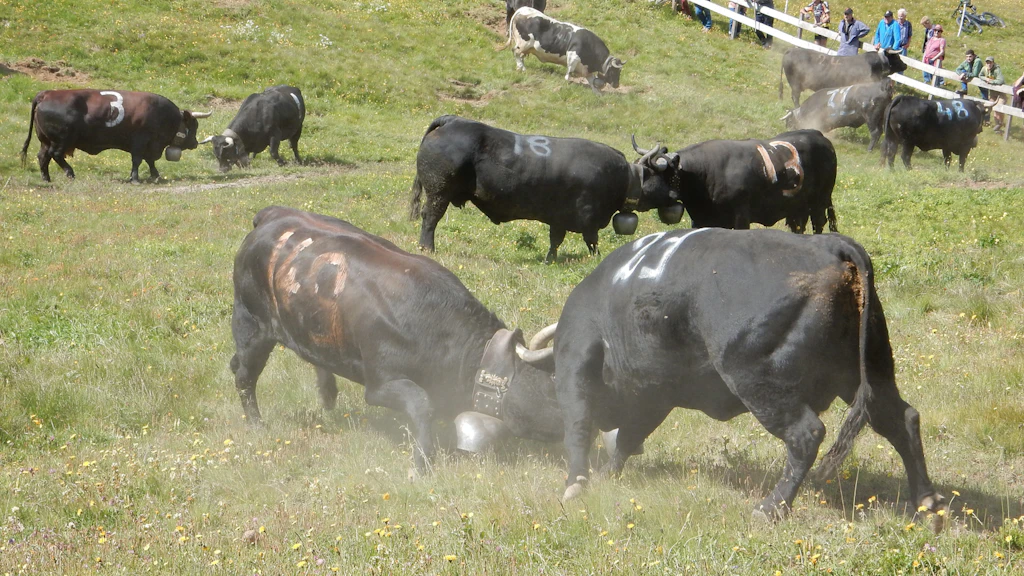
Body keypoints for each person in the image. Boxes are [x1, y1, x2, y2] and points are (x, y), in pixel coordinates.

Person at [980, 56, 1006, 130]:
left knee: (999, 108)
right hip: (992, 93)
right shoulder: (984, 69)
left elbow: (1001, 80)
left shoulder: (997, 70)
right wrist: (986, 79)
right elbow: (980, 75)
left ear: (993, 63)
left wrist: (992, 81)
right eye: (987, 62)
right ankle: (997, 125)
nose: (989, 64)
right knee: (993, 108)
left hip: (1000, 93)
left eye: (990, 62)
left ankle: (1000, 123)